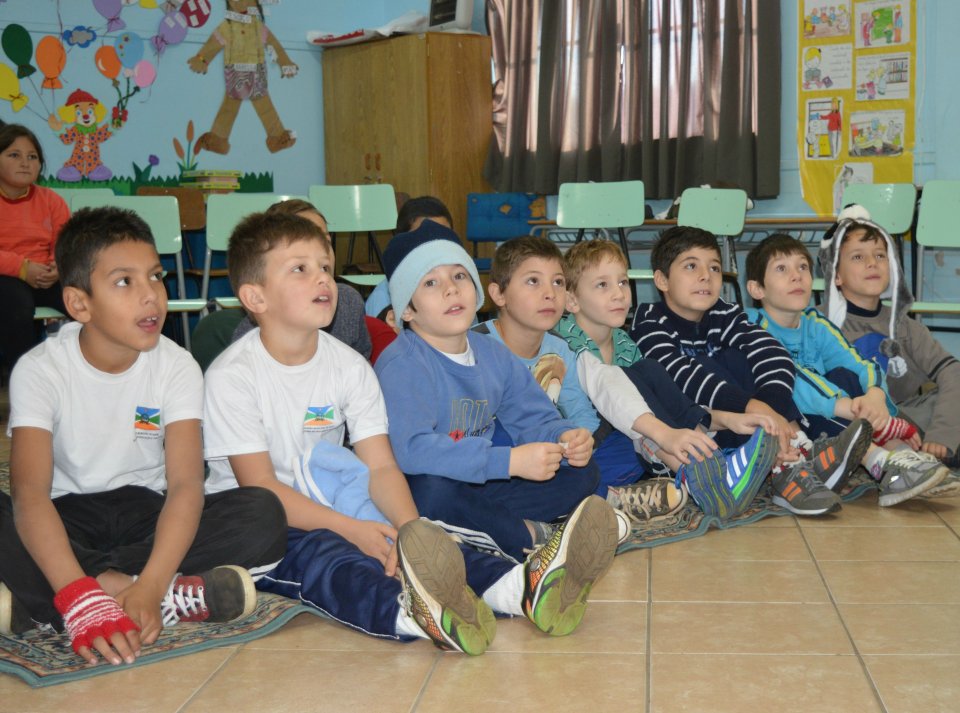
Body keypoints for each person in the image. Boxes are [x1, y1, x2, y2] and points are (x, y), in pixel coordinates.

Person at [201, 211, 618, 655]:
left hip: (339, 495)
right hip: (266, 517)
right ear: (255, 297)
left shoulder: (348, 365)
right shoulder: (234, 375)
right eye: (300, 269)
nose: (322, 280)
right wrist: (356, 529)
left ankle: (521, 588)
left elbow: (380, 466)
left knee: (426, 539)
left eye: (325, 266)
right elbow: (262, 486)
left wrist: (408, 532)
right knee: (332, 558)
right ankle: (417, 615)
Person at [0, 206, 287, 666]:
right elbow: (31, 496)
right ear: (79, 304)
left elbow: (187, 484)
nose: (151, 296)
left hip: (148, 512)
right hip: (67, 514)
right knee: (12, 517)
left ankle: (61, 596)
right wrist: (84, 594)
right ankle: (101, 594)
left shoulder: (176, 365)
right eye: (123, 282)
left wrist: (150, 585)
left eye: (155, 277)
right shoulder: (40, 370)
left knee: (262, 511)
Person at [479, 235, 782, 525]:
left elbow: (598, 412)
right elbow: (599, 386)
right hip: (513, 455)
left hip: (574, 446)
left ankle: (704, 469)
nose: (549, 292)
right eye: (534, 281)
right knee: (625, 423)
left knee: (633, 414)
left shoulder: (581, 346)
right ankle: (693, 472)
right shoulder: (557, 339)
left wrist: (581, 441)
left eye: (556, 282)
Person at [374, 220, 614, 563]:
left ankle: (487, 531)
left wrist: (566, 437)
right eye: (430, 282)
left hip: (482, 482)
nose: (451, 290)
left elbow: (533, 416)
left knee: (582, 471)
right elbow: (412, 451)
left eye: (459, 276)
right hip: (428, 486)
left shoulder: (491, 352)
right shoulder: (403, 363)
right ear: (407, 310)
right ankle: (530, 537)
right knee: (431, 493)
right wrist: (509, 461)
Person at [631, 226, 871, 516]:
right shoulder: (648, 322)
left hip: (750, 423)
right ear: (662, 280)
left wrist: (768, 406)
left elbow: (773, 353)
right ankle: (791, 463)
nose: (706, 275)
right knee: (708, 364)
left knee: (746, 357)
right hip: (700, 431)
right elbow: (680, 374)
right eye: (691, 266)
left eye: (715, 267)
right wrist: (749, 405)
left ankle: (796, 453)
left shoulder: (725, 313)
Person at [558, 238, 794, 521]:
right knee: (626, 379)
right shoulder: (565, 341)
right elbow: (605, 393)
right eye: (602, 285)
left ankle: (712, 464)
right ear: (571, 300)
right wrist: (667, 435)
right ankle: (699, 471)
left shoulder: (624, 342)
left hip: (629, 455)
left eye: (622, 282)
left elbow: (659, 401)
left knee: (649, 371)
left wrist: (726, 418)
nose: (619, 294)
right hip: (583, 457)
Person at [745, 233, 947, 506]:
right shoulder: (752, 325)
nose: (796, 276)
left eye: (802, 267)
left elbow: (860, 362)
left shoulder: (815, 323)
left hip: (835, 414)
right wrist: (846, 406)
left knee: (846, 376)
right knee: (805, 396)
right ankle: (882, 465)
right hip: (792, 423)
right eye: (782, 269)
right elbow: (792, 378)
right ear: (757, 289)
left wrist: (874, 394)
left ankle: (901, 458)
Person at [820, 205, 960, 472]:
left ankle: (927, 455)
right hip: (853, 421)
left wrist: (941, 434)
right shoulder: (817, 326)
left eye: (880, 255)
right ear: (835, 275)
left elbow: (952, 371)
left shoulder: (906, 328)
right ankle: (905, 460)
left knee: (951, 398)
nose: (872, 263)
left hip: (908, 420)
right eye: (858, 257)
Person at [231, 198, 372, 359]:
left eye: (325, 242)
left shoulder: (348, 302)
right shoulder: (249, 340)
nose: (322, 252)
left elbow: (362, 359)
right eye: (300, 267)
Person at [0, 124, 70, 373]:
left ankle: (94, 369)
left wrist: (58, 267)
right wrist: (22, 268)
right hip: (7, 276)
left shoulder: (51, 201)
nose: (25, 163)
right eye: (14, 155)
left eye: (32, 157)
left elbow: (66, 242)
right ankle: (26, 377)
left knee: (87, 296)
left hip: (46, 276)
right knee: (16, 304)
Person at [365, 195, 454, 329]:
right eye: (424, 239)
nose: (436, 248)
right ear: (402, 245)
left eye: (444, 238)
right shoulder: (383, 298)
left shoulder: (458, 288)